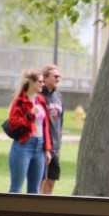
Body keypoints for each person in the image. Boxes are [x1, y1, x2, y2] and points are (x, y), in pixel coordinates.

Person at [7, 68, 52, 194]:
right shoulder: (19, 101)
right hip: (23, 146)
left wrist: (47, 149)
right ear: (31, 82)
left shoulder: (41, 100)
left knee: (34, 191)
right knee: (16, 189)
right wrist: (30, 114)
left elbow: (45, 126)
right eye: (40, 81)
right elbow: (14, 124)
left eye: (43, 81)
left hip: (39, 147)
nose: (43, 84)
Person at [40, 64, 65, 195]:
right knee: (41, 180)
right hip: (42, 146)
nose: (58, 79)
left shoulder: (59, 97)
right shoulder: (39, 96)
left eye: (59, 76)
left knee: (51, 180)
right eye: (55, 76)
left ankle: (47, 204)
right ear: (44, 78)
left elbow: (60, 122)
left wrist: (58, 143)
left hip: (55, 147)